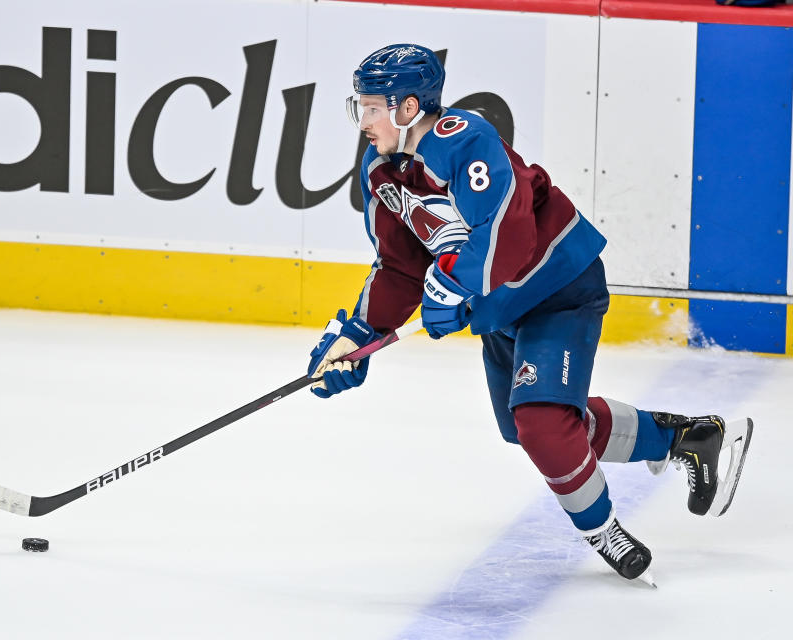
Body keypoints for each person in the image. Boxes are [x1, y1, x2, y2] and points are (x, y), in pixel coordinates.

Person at [306, 44, 754, 585]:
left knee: (542, 422)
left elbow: (504, 231)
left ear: (405, 109)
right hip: (503, 308)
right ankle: (687, 438)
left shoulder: (463, 139)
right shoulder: (381, 170)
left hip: (557, 287)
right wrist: (358, 333)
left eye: (370, 107)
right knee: (530, 427)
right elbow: (399, 266)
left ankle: (601, 529)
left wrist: (449, 286)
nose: (363, 121)